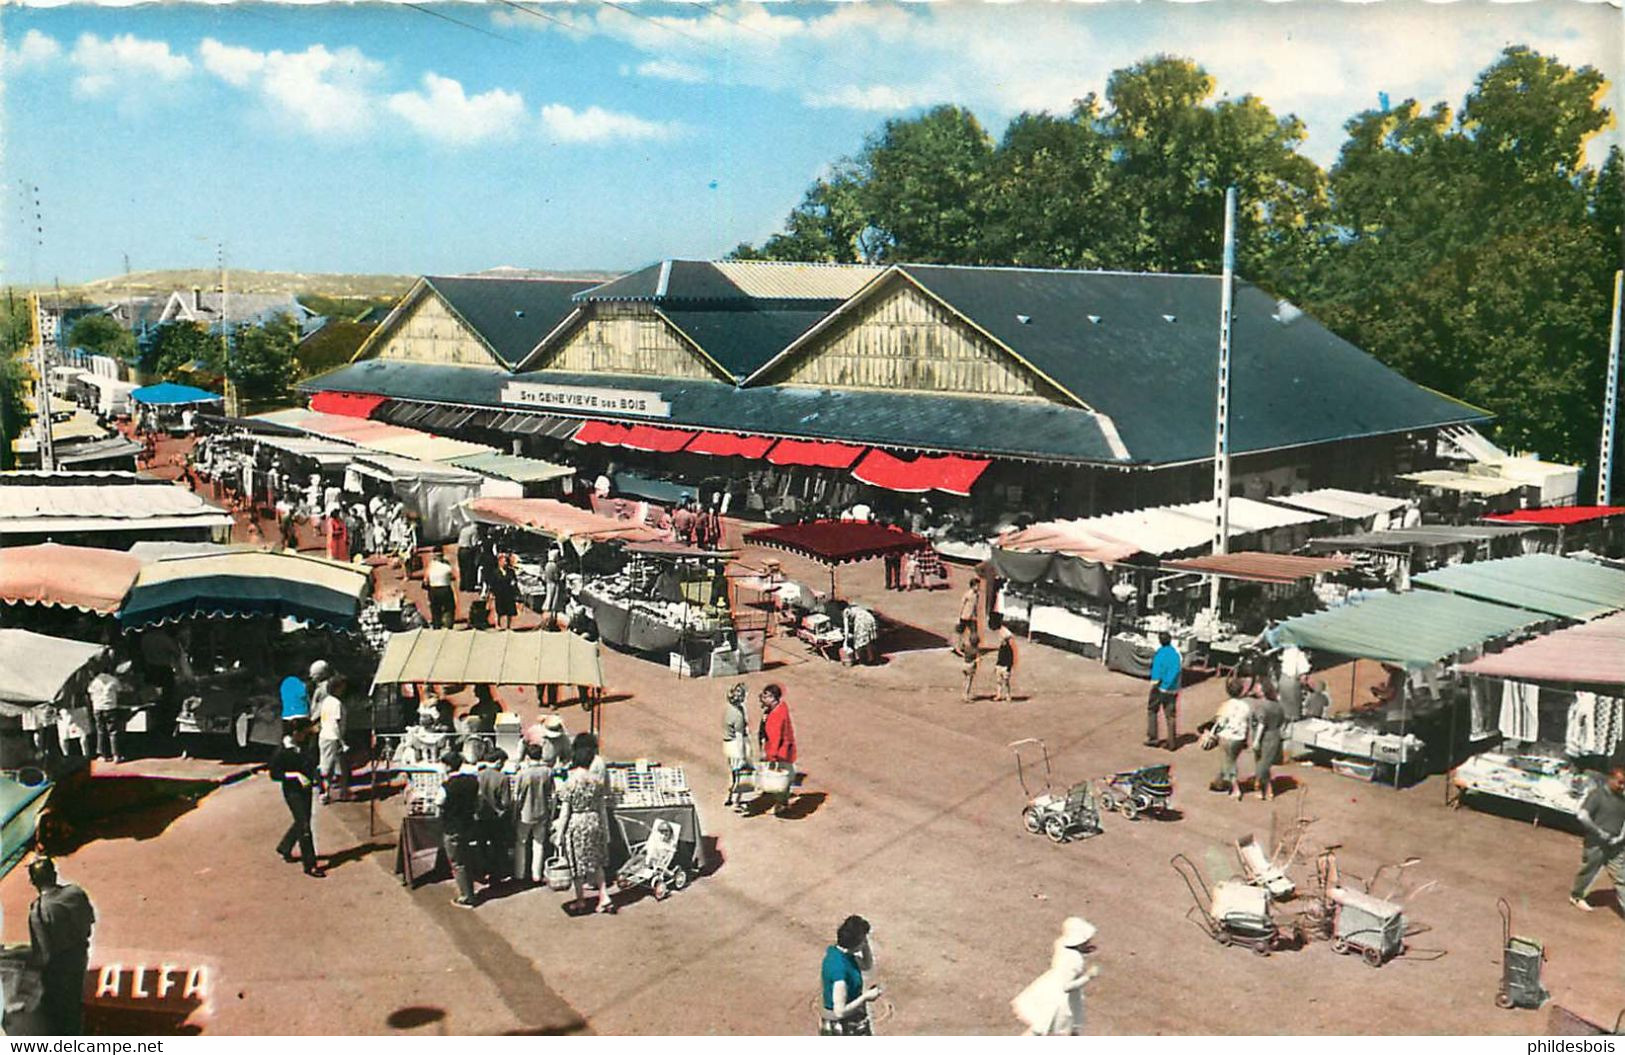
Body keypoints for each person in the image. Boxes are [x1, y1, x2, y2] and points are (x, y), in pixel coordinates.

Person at [27, 859, 95, 1036]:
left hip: (58, 970)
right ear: (54, 875)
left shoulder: (38, 911)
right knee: (75, 1004)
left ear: (33, 882)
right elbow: (89, 922)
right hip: (80, 955)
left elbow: (44, 954)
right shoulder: (76, 892)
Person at [1011, 917, 1099, 1036]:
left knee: (1041, 1027)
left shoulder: (1061, 943)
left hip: (1049, 987)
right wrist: (1088, 976)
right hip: (1063, 1000)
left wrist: (1083, 950)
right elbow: (1067, 987)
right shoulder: (1075, 960)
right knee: (1051, 1027)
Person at [557, 736, 615, 914]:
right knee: (596, 862)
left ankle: (581, 899)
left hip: (577, 822)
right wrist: (605, 831)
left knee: (577, 864)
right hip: (594, 820)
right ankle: (604, 896)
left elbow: (565, 811)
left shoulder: (570, 783)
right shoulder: (596, 783)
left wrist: (559, 833)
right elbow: (601, 806)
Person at [270, 721, 325, 877]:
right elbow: (274, 774)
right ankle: (310, 864)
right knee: (304, 826)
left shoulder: (304, 744)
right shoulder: (281, 751)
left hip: (305, 789)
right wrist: (295, 775)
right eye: (303, 733)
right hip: (292, 791)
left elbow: (311, 760)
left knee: (303, 820)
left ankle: (285, 846)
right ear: (295, 733)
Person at [1569, 766, 1625, 914]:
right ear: (1610, 779)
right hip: (1596, 843)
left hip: (1616, 844)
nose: (1623, 786)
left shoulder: (1622, 798)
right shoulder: (1597, 795)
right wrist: (1599, 832)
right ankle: (1576, 896)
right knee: (1589, 870)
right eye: (1620, 782)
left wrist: (1620, 837)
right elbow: (1582, 816)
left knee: (1621, 876)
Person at [819, 915, 881, 1035]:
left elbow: (866, 965)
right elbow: (840, 1012)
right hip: (843, 1026)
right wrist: (865, 997)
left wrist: (864, 943)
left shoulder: (839, 953)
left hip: (851, 1019)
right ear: (855, 943)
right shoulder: (840, 973)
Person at [437, 750, 481, 908]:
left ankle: (467, 896)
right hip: (468, 824)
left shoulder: (446, 786)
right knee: (466, 857)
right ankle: (469, 890)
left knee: (457, 862)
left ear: (448, 766)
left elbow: (439, 803)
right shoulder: (472, 781)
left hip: (452, 827)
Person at [512, 743, 554, 885]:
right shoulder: (548, 772)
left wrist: (514, 814)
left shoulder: (522, 774)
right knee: (539, 843)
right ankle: (536, 874)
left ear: (527, 757)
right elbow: (552, 795)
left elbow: (517, 797)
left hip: (525, 813)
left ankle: (519, 873)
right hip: (542, 812)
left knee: (521, 843)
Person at [758, 684, 797, 817]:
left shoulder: (775, 716)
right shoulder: (781, 708)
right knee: (786, 777)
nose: (763, 698)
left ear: (773, 698)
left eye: (766, 696)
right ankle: (783, 802)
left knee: (780, 779)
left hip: (780, 752)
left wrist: (771, 757)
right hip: (787, 749)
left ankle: (781, 805)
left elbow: (775, 739)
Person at [1211, 681, 1253, 800]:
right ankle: (1220, 781)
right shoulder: (1245, 706)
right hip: (1240, 737)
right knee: (1230, 759)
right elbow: (1247, 722)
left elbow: (1220, 722)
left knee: (1229, 762)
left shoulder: (1226, 705)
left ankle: (1235, 788)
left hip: (1227, 736)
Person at [476, 748, 513, 882]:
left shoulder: (478, 775)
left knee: (481, 845)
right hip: (496, 818)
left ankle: (482, 871)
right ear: (498, 761)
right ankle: (498, 872)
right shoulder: (502, 777)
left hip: (479, 817)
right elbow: (506, 802)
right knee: (498, 846)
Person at [89, 659, 132, 762]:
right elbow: (121, 690)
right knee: (113, 731)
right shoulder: (113, 680)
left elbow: (89, 691)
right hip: (110, 707)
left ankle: (103, 755)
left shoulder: (94, 681)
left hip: (98, 708)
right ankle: (116, 755)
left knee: (101, 731)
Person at [316, 673, 348, 805]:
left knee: (333, 766)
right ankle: (326, 792)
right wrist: (342, 741)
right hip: (332, 738)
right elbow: (336, 723)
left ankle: (338, 791)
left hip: (325, 736)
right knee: (329, 767)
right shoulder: (336, 703)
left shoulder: (326, 701)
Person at [1250, 685, 1287, 801]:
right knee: (1265, 763)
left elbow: (1262, 723)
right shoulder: (1278, 706)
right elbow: (1283, 721)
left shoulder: (1261, 706)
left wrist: (1256, 740)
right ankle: (1267, 789)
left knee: (1261, 764)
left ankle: (1260, 787)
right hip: (1275, 735)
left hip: (1264, 736)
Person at [1145, 631, 1181, 750]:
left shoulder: (1160, 653)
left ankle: (1153, 738)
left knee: (1152, 710)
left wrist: (1156, 683)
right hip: (1173, 689)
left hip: (1160, 687)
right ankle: (1172, 742)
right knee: (1170, 716)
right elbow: (1178, 671)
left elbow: (1157, 671)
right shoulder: (1176, 654)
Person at [723, 682, 753, 813]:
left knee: (732, 773)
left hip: (728, 743)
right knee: (741, 775)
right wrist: (742, 756)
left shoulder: (730, 709)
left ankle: (729, 797)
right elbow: (740, 736)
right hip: (736, 745)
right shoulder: (738, 715)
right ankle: (737, 802)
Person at [1278, 645, 1311, 721]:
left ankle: (1286, 718)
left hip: (1283, 679)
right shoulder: (1301, 656)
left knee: (1285, 703)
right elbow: (1303, 677)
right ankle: (1294, 719)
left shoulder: (1288, 649)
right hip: (1292, 681)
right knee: (1294, 705)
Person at [427, 549, 457, 629]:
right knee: (449, 608)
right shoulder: (447, 565)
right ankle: (448, 625)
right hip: (445, 588)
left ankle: (437, 626)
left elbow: (425, 579)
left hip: (433, 589)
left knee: (435, 609)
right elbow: (453, 576)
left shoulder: (431, 565)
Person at [490, 552, 520, 631]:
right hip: (499, 593)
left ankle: (508, 625)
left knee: (509, 609)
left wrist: (515, 587)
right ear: (499, 562)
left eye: (506, 561)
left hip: (508, 592)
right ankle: (498, 624)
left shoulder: (511, 571)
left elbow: (514, 580)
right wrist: (492, 593)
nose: (506, 563)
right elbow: (493, 583)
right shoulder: (495, 572)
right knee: (498, 609)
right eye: (504, 561)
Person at [991, 614, 1017, 702]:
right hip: (1000, 666)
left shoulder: (1008, 650)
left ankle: (1007, 695)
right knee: (998, 682)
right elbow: (999, 657)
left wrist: (1009, 668)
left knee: (1006, 682)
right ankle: (999, 695)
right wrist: (996, 666)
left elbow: (1010, 659)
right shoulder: (1002, 648)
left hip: (1005, 667)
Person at [457, 517, 481, 590]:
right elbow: (474, 543)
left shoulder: (464, 529)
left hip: (461, 549)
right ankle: (469, 586)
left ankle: (462, 585)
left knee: (462, 568)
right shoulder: (474, 531)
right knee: (469, 568)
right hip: (468, 551)